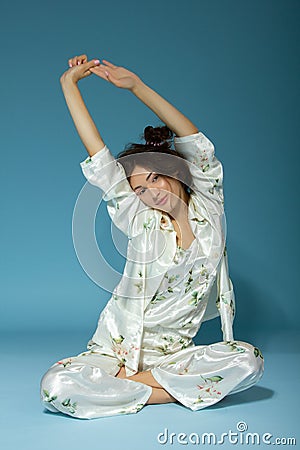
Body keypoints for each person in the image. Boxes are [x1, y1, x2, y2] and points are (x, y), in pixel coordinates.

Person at [40, 55, 264, 419]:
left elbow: (195, 142)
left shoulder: (210, 206)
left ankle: (132, 387)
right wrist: (69, 85)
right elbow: (99, 158)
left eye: (155, 179)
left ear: (172, 171)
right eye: (139, 189)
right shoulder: (140, 219)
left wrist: (137, 86)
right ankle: (166, 390)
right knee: (56, 387)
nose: (151, 193)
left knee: (249, 362)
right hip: (116, 351)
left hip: (176, 356)